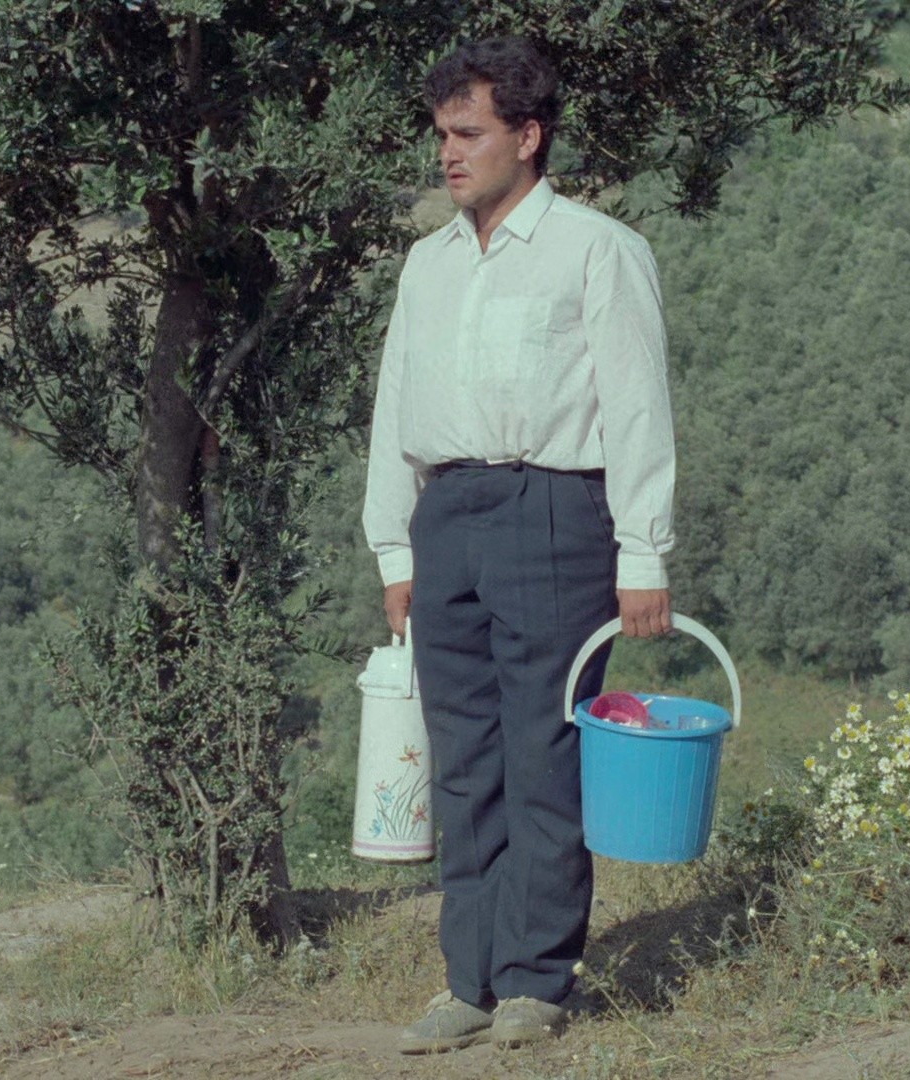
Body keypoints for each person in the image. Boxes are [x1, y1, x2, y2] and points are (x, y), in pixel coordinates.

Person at [361, 36, 677, 1054]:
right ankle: (470, 978)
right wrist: (393, 551)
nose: (448, 155)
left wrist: (644, 554)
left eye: (469, 134)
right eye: (442, 136)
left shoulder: (598, 249)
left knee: (544, 752)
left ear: (527, 137)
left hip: (556, 513)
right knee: (462, 761)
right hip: (445, 516)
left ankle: (536, 984)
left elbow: (637, 408)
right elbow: (393, 409)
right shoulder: (428, 264)